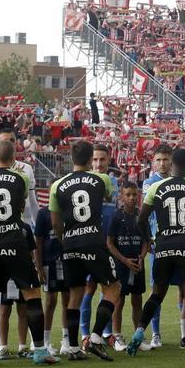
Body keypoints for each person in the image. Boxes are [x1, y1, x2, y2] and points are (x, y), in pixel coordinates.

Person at [0, 140, 59, 366]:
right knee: (31, 294)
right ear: (13, 159)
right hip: (15, 241)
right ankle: (38, 350)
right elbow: (20, 208)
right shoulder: (21, 178)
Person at [127, 149, 185, 357]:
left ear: (172, 164)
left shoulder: (156, 186)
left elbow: (141, 219)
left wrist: (150, 239)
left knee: (157, 293)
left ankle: (139, 332)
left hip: (163, 245)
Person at [49, 140, 119, 361]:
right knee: (113, 287)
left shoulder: (57, 185)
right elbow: (107, 197)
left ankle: (71, 347)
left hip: (69, 243)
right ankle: (96, 337)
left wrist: (65, 238)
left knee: (75, 294)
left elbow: (55, 223)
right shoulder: (102, 179)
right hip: (93, 241)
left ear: (71, 158)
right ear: (91, 160)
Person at [79, 145, 119, 345]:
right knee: (89, 288)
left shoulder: (114, 183)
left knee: (109, 288)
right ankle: (85, 333)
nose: (98, 163)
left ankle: (106, 332)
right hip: (90, 243)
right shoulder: (85, 184)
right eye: (95, 160)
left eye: (102, 159)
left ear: (109, 159)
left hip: (109, 246)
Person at [106, 182, 149, 352]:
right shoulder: (116, 217)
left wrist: (142, 256)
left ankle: (138, 335)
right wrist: (124, 260)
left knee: (137, 300)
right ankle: (117, 336)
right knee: (119, 301)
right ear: (121, 197)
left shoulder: (141, 217)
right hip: (121, 265)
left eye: (134, 194)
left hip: (137, 265)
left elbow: (146, 241)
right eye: (128, 195)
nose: (131, 198)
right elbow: (109, 243)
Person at [140, 144, 173, 348]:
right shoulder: (149, 183)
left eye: (165, 160)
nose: (162, 164)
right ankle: (156, 332)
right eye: (158, 160)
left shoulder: (178, 181)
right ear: (153, 161)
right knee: (157, 288)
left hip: (177, 240)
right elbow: (146, 214)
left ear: (171, 161)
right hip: (158, 241)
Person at [35, 205, 70, 356]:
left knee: (68, 300)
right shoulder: (43, 213)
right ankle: (45, 341)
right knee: (50, 300)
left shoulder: (69, 210)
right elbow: (38, 242)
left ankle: (67, 340)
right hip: (49, 262)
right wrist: (39, 266)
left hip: (67, 260)